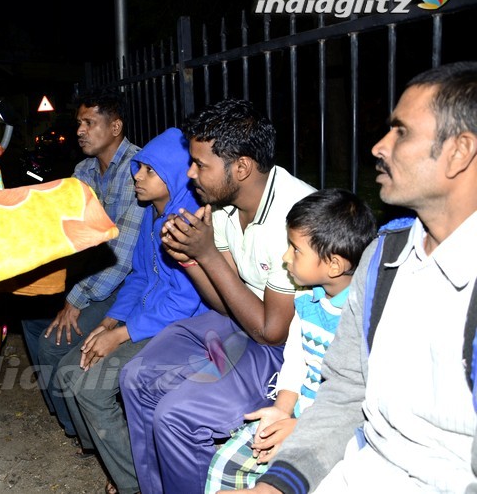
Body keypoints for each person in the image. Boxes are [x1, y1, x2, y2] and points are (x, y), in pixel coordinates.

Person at [235, 62, 477, 493]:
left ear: (460, 151)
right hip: (362, 466)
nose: (379, 147)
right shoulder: (385, 255)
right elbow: (347, 391)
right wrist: (276, 486)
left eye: (401, 132)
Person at [119, 98, 316, 494]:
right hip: (237, 321)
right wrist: (193, 260)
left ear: (241, 167)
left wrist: (205, 254)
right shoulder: (224, 205)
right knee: (134, 377)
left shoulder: (292, 216)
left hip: (283, 346)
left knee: (177, 414)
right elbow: (220, 301)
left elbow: (272, 331)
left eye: (200, 165)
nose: (190, 175)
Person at [55, 127, 209, 494]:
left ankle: (136, 482)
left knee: (90, 387)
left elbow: (183, 302)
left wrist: (121, 334)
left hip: (180, 328)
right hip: (145, 318)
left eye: (149, 171)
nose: (137, 176)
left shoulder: (187, 223)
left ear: (172, 175)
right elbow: (140, 276)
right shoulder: (152, 215)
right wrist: (109, 321)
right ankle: (112, 455)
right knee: (66, 370)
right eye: (138, 168)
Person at [204, 188, 376, 492]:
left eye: (295, 250)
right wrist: (282, 409)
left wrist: (299, 429)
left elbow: (358, 403)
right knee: (225, 463)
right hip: (296, 414)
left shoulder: (362, 318)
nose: (285, 257)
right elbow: (295, 361)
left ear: (334, 265)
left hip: (339, 434)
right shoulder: (308, 303)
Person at [20, 90, 146, 450]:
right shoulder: (85, 170)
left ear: (116, 127)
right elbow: (65, 227)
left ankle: (90, 439)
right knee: (29, 316)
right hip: (92, 275)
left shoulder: (137, 170)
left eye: (89, 122)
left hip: (126, 284)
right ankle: (71, 423)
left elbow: (122, 256)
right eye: (79, 122)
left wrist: (75, 299)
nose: (80, 130)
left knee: (51, 346)